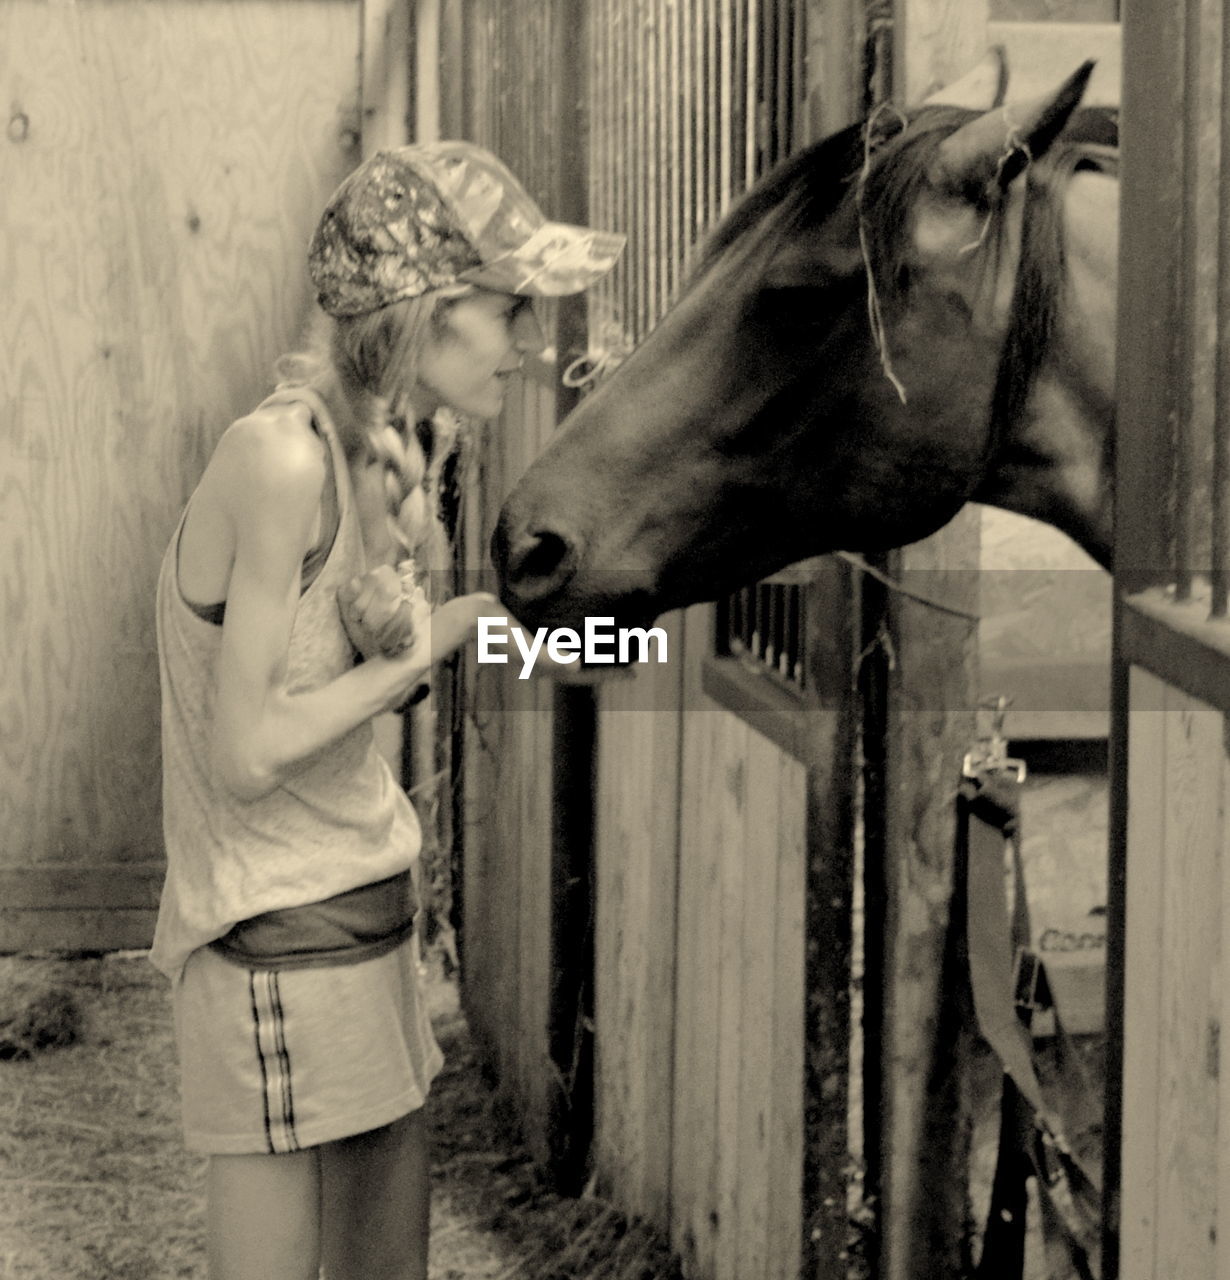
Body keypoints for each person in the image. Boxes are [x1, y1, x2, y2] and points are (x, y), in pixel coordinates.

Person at [151, 140, 623, 1280]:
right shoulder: (279, 463)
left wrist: (614, 635)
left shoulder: (390, 451)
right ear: (426, 313)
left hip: (370, 940)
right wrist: (452, 631)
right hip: (272, 953)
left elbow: (426, 648)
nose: (529, 341)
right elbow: (248, 749)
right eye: (510, 310)